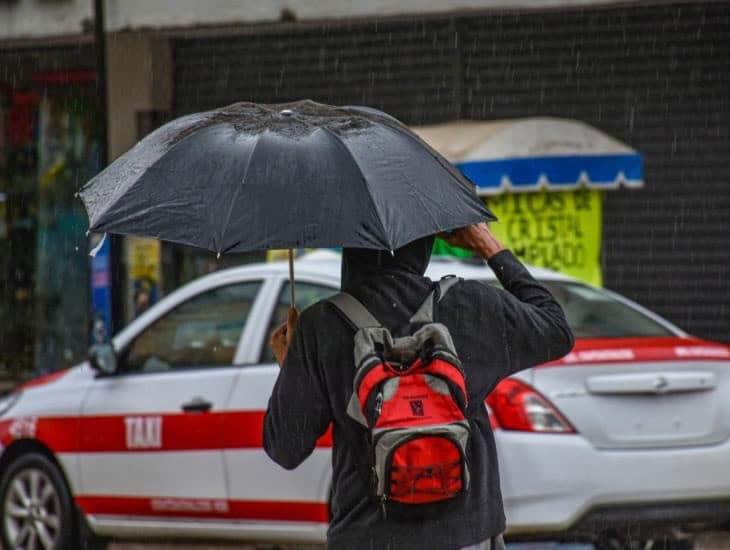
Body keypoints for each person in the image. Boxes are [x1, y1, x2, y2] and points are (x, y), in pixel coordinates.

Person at [264, 222, 574, 550]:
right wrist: (489, 246)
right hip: (465, 533)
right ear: (425, 242)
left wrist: (292, 367)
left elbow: (285, 448)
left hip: (368, 536)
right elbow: (556, 330)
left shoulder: (322, 325)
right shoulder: (468, 304)